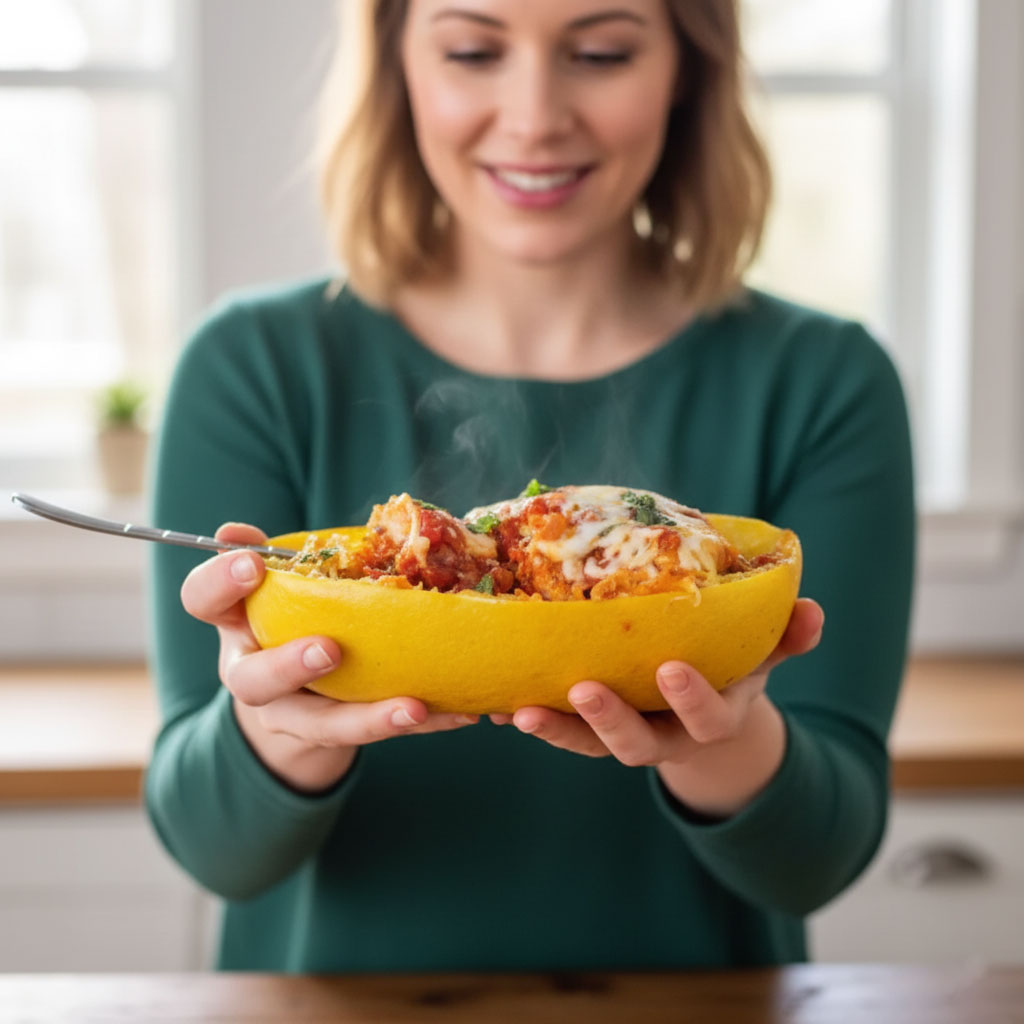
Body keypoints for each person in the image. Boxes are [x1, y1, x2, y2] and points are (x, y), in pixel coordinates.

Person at [146, 0, 915, 973]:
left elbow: (819, 860)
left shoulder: (822, 381)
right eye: (473, 49)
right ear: (397, 66)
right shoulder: (251, 364)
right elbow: (211, 849)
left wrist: (724, 741)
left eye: (599, 51)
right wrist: (271, 726)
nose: (534, 114)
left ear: (689, 65)